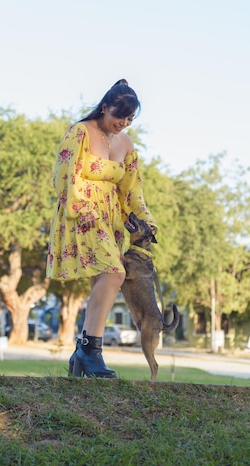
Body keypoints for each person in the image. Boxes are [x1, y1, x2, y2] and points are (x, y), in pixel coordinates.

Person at [47, 79, 157, 378]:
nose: (122, 123)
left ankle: (81, 355)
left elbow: (132, 189)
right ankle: (90, 351)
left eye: (129, 119)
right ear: (104, 107)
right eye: (118, 116)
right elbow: (63, 176)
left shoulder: (126, 143)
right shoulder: (80, 132)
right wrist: (80, 209)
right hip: (81, 213)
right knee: (114, 273)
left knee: (104, 282)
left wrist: (145, 220)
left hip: (110, 219)